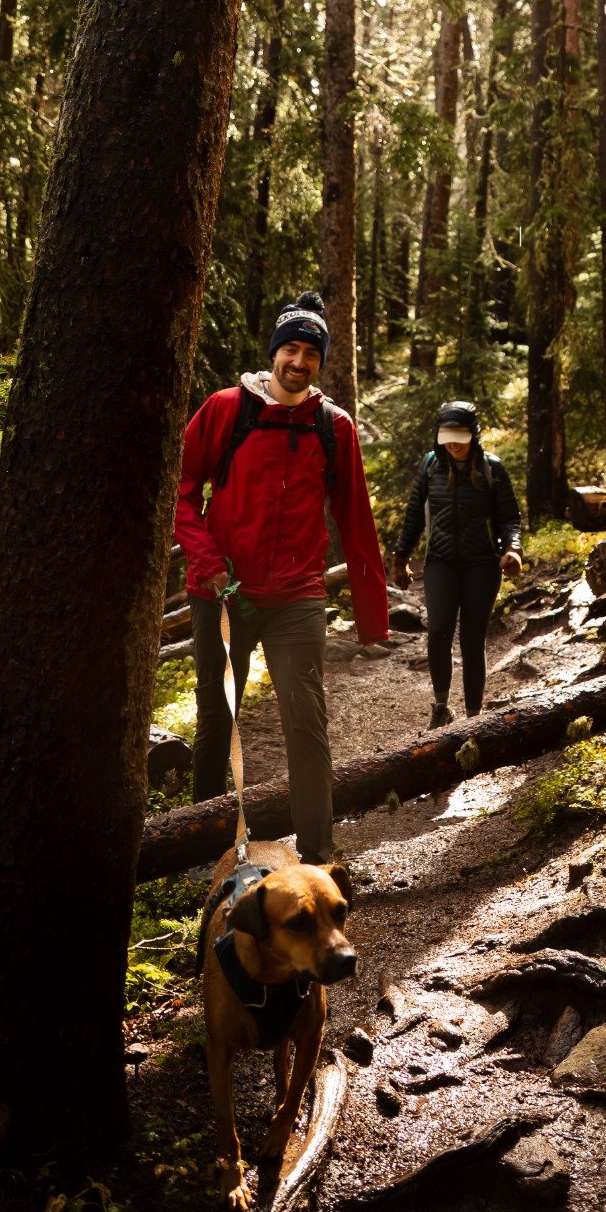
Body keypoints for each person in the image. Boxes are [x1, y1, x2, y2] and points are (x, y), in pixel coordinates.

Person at [174, 291, 388, 862]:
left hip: (297, 595)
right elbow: (181, 488)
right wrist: (206, 561)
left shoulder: (332, 426)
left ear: (320, 362)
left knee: (306, 723)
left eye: (309, 353)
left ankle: (319, 858)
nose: (298, 362)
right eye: (289, 349)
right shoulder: (226, 409)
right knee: (217, 716)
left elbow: (356, 518)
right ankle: (205, 855)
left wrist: (372, 616)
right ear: (273, 354)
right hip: (225, 594)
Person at [391, 400, 522, 728]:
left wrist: (513, 549)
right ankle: (441, 706)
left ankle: (473, 716)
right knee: (438, 631)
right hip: (440, 562)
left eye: (460, 436)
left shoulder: (492, 467)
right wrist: (401, 558)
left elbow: (509, 518)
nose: (453, 444)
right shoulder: (430, 466)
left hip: (482, 564)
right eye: (447, 436)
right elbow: (413, 517)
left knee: (472, 637)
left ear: (472, 435)